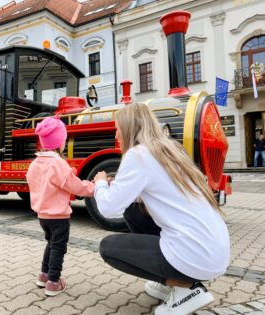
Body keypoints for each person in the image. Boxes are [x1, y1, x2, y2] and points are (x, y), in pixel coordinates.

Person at [93, 103, 230, 315]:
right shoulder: (171, 150)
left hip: (194, 255)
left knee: (108, 248)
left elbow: (108, 208)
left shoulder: (137, 155)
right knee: (133, 212)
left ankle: (187, 289)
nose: (117, 135)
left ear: (129, 128)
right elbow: (159, 190)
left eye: (118, 128)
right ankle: (172, 284)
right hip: (214, 251)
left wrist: (100, 183)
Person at [26, 116, 94, 296]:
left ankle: (44, 275)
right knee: (58, 247)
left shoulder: (35, 164)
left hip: (43, 216)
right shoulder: (58, 163)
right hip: (59, 217)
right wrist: (94, 187)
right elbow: (76, 186)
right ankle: (54, 282)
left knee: (50, 244)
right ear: (60, 142)